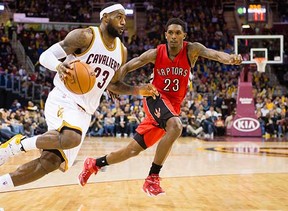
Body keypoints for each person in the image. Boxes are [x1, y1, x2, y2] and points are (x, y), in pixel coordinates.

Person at [0, 2, 158, 191]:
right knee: (71, 138)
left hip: (85, 112)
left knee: (50, 162)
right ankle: (17, 145)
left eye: (125, 18)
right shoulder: (86, 36)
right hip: (64, 98)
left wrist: (138, 90)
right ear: (105, 17)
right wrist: (58, 66)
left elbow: (113, 84)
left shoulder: (121, 51)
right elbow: (45, 56)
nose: (124, 22)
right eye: (119, 17)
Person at [78, 18, 242, 196]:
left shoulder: (192, 50)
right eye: (170, 33)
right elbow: (129, 66)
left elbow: (216, 54)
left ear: (184, 36)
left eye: (177, 33)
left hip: (171, 107)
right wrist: (114, 83)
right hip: (154, 97)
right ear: (165, 35)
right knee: (176, 126)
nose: (173, 36)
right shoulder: (156, 53)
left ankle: (94, 164)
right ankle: (152, 178)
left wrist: (230, 58)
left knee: (131, 150)